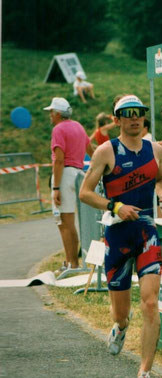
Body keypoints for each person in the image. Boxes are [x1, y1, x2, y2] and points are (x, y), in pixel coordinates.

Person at [79, 94, 162, 378]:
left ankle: (144, 376)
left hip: (147, 232)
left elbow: (160, 180)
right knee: (121, 313)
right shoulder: (106, 151)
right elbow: (84, 192)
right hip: (118, 237)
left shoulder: (155, 149)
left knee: (150, 303)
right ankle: (120, 327)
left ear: (144, 117)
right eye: (127, 114)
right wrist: (114, 205)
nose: (135, 119)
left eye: (140, 114)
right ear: (117, 119)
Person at [43, 97, 93, 271]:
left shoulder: (58, 129)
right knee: (72, 222)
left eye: (51, 112)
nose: (50, 115)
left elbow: (59, 160)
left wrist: (55, 187)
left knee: (64, 222)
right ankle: (73, 262)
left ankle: (71, 263)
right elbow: (91, 149)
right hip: (79, 174)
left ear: (57, 113)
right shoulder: (78, 126)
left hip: (64, 176)